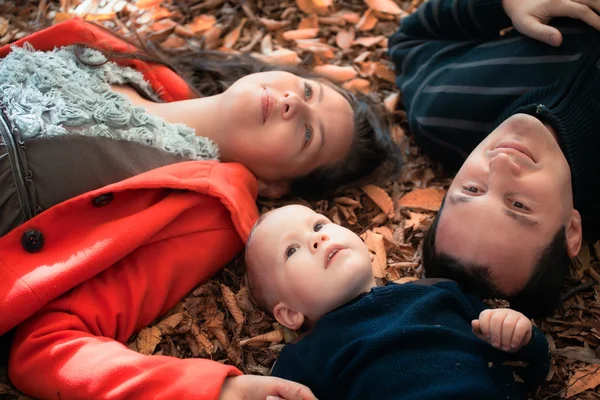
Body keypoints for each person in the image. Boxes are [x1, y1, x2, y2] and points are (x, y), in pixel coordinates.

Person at [0, 18, 401, 399]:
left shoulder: (204, 216)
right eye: (309, 90)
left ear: (275, 185)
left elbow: (48, 343)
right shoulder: (113, 54)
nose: (293, 102)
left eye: (309, 133)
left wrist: (216, 390)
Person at [388, 0, 600, 316]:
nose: (500, 164)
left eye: (472, 190)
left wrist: (504, 4)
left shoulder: (444, 112)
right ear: (571, 230)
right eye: (519, 205)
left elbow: (409, 39)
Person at [244, 205, 550, 400]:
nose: (317, 239)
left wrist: (519, 335)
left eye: (319, 226)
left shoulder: (437, 291)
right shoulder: (307, 356)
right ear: (290, 314)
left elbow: (529, 369)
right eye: (291, 251)